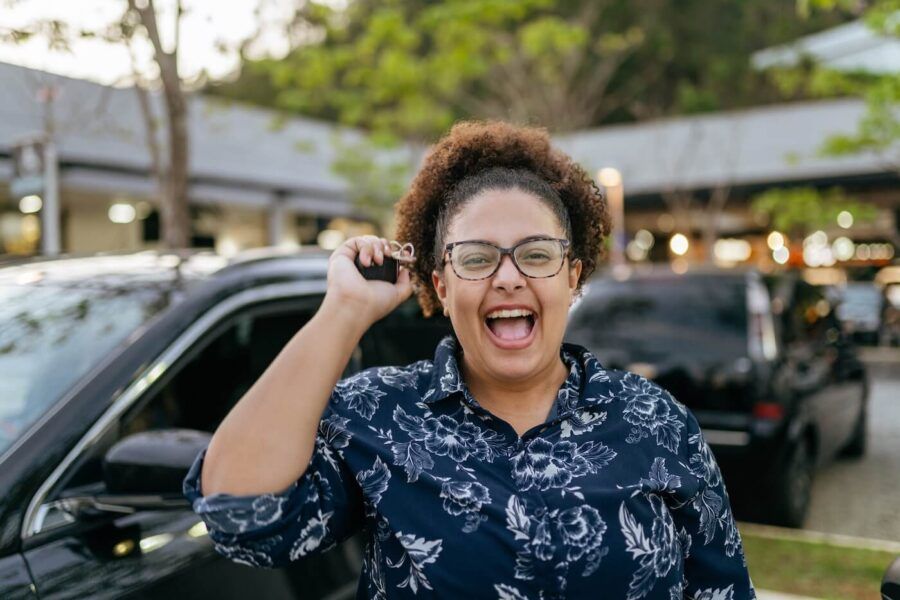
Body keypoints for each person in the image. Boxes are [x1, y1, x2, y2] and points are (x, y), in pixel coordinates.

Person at [183, 121, 756, 599]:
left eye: (536, 254)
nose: (508, 277)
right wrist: (344, 311)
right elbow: (241, 520)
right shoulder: (379, 414)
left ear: (572, 276)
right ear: (441, 283)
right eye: (477, 258)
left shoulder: (656, 422)